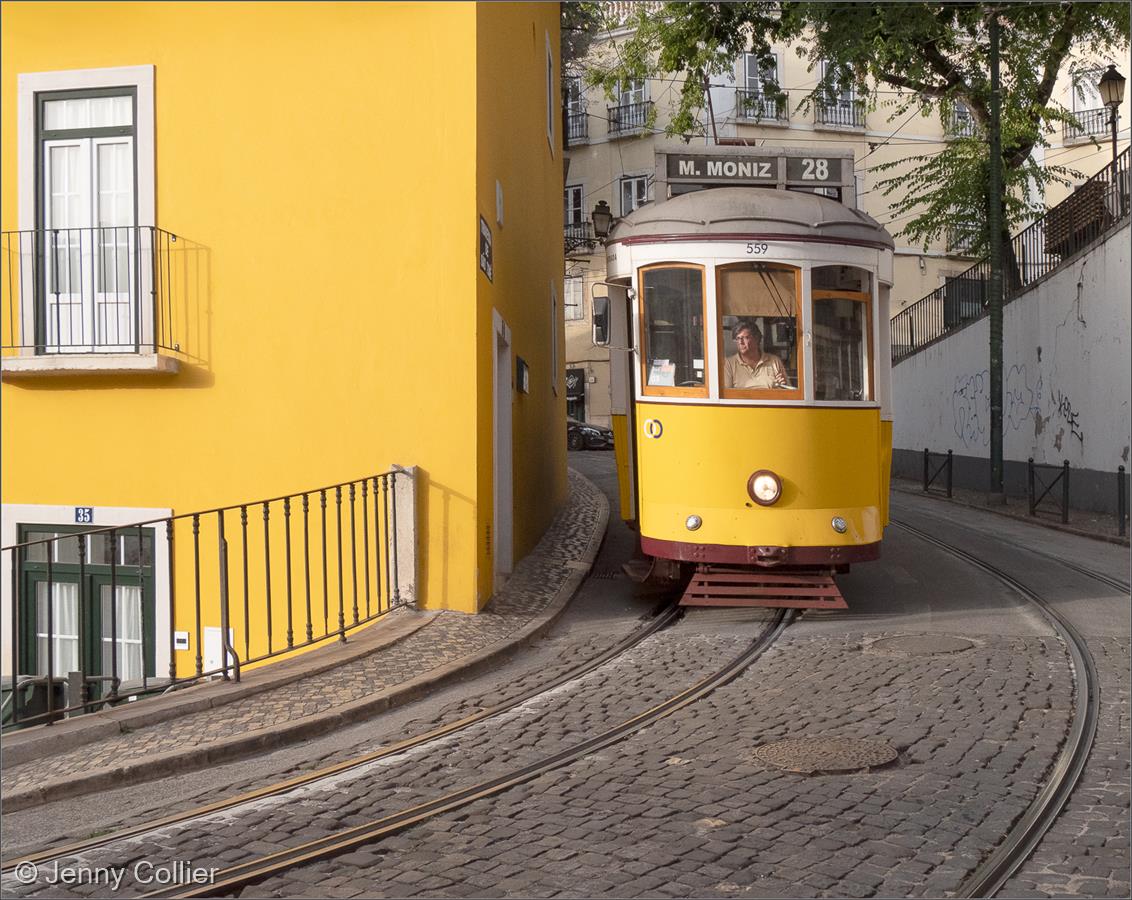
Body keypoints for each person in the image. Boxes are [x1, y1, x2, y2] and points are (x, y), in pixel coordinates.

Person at [723, 320, 789, 389]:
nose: (740, 342)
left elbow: (788, 392)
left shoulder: (774, 361)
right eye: (738, 338)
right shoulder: (729, 363)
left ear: (756, 339)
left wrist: (783, 385)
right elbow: (726, 396)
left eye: (745, 337)